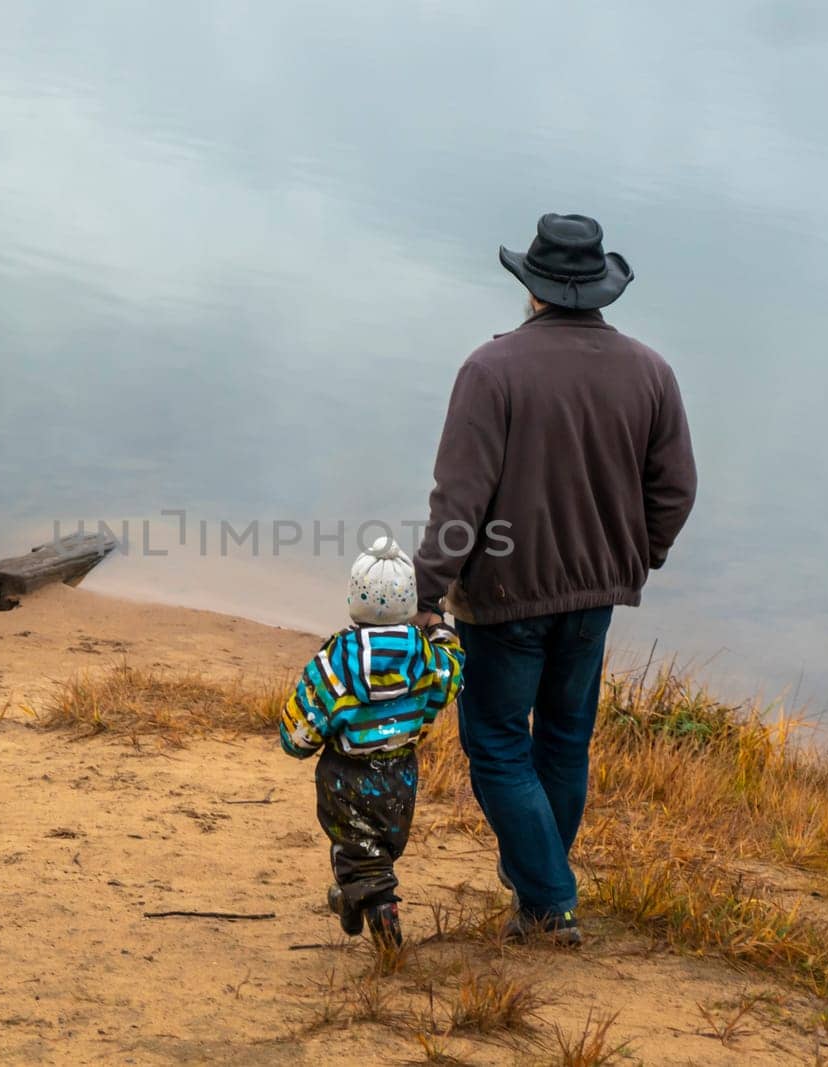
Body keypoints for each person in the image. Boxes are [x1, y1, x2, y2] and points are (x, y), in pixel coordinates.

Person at [412, 213, 697, 945]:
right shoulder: (651, 371)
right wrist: (636, 556)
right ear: (601, 288)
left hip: (503, 598)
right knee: (565, 742)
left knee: (499, 746)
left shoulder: (490, 369)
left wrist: (423, 589)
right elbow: (676, 489)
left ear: (531, 288)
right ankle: (540, 883)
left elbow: (460, 498)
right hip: (595, 594)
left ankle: (548, 899)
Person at [278, 536, 465, 950]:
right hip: (400, 774)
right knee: (382, 846)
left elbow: (305, 719)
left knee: (360, 854)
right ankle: (357, 896)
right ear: (411, 602)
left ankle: (372, 910)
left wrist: (296, 740)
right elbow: (452, 676)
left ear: (353, 600)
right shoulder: (424, 658)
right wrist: (440, 630)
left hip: (345, 776)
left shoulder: (338, 660)